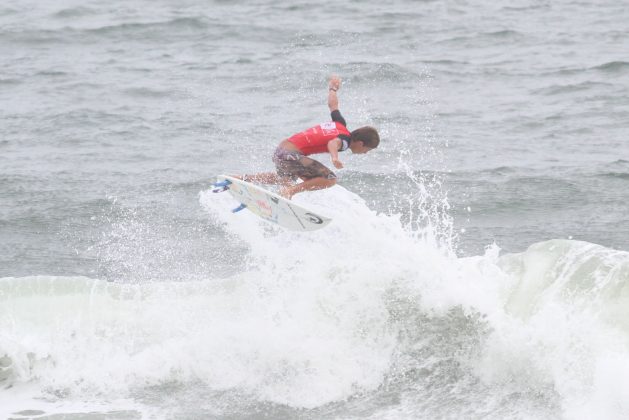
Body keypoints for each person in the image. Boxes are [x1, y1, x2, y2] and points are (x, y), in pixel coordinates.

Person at [238, 75, 380, 199]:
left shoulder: (340, 124)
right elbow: (333, 143)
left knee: (286, 179)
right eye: (368, 149)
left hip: (281, 151)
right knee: (330, 179)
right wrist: (335, 158)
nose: (366, 153)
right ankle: (289, 192)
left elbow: (333, 104)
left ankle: (242, 178)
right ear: (361, 143)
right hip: (289, 155)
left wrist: (333, 89)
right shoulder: (345, 141)